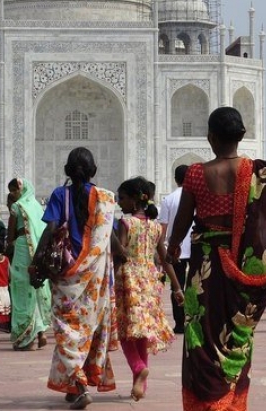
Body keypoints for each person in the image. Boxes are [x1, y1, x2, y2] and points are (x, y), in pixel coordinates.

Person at [168, 107, 266, 411]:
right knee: (237, 334)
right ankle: (231, 403)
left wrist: (172, 248)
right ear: (242, 136)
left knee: (202, 335)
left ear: (210, 137)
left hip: (204, 269)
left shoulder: (196, 173)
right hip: (240, 265)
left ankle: (208, 403)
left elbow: (183, 220)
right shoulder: (255, 173)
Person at [34, 147, 118, 410]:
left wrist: (37, 260)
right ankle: (72, 386)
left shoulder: (61, 194)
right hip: (95, 279)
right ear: (94, 171)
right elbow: (111, 241)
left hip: (66, 276)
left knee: (67, 332)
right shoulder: (106, 198)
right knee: (86, 330)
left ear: (67, 171)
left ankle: (80, 387)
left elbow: (50, 228)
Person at [113, 176, 180, 401]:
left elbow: (120, 255)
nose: (119, 203)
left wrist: (110, 239)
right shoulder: (154, 227)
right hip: (150, 281)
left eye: (121, 199)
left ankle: (138, 367)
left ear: (134, 200)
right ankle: (141, 385)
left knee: (124, 331)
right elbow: (165, 258)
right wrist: (177, 288)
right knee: (142, 332)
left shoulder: (126, 223)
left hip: (129, 280)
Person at [6, 178, 51, 351]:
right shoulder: (37, 207)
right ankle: (41, 332)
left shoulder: (17, 208)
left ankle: (27, 339)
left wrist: (7, 248)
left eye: (14, 191)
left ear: (21, 190)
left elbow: (10, 238)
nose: (12, 195)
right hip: (37, 252)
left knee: (21, 291)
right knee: (35, 289)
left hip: (23, 250)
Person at [160, 164, 191, 334]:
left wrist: (163, 250)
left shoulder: (169, 199)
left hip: (175, 249)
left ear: (175, 179)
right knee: (195, 285)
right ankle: (194, 320)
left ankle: (179, 323)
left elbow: (162, 229)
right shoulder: (197, 197)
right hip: (195, 249)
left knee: (176, 286)